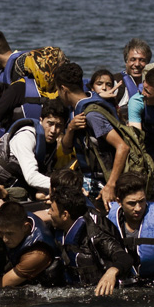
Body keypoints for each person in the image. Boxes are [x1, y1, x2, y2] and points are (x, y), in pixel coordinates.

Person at [55, 61, 131, 204]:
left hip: (104, 181)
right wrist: (70, 128)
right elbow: (66, 149)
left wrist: (111, 185)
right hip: (89, 177)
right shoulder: (76, 109)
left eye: (58, 90)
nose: (58, 94)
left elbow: (123, 147)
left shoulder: (92, 115)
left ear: (63, 89)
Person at [48, 183, 133, 295]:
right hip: (75, 290)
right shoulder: (59, 228)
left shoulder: (96, 234)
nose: (49, 212)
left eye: (52, 209)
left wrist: (112, 271)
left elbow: (125, 258)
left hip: (104, 293)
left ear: (65, 215)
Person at [0, 99, 66, 199]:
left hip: (19, 186)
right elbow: (31, 177)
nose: (53, 130)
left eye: (59, 126)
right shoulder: (25, 136)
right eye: (50, 123)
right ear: (41, 120)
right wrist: (64, 186)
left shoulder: (50, 143)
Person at [0, 200, 58, 287]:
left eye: (10, 234)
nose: (5, 239)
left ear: (25, 227)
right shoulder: (20, 217)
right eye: (1, 232)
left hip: (44, 289)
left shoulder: (37, 255)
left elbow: (1, 284)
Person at [112, 38, 151, 119]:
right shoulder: (115, 82)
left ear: (148, 63)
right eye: (133, 60)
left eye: (142, 60)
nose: (137, 64)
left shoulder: (153, 83)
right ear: (126, 62)